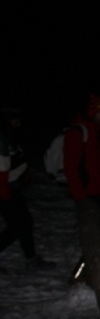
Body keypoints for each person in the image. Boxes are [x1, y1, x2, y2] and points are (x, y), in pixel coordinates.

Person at [62, 93, 100, 284]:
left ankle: (89, 276)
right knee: (97, 238)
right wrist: (80, 197)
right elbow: (71, 168)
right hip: (88, 195)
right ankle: (80, 277)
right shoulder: (79, 132)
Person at [0, 106, 55, 271]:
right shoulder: (3, 139)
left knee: (23, 223)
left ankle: (31, 258)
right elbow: (2, 167)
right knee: (18, 226)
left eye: (19, 119)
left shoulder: (12, 137)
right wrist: (4, 191)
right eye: (13, 120)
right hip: (6, 189)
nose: (17, 123)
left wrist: (24, 176)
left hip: (12, 187)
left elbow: (16, 160)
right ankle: (31, 258)